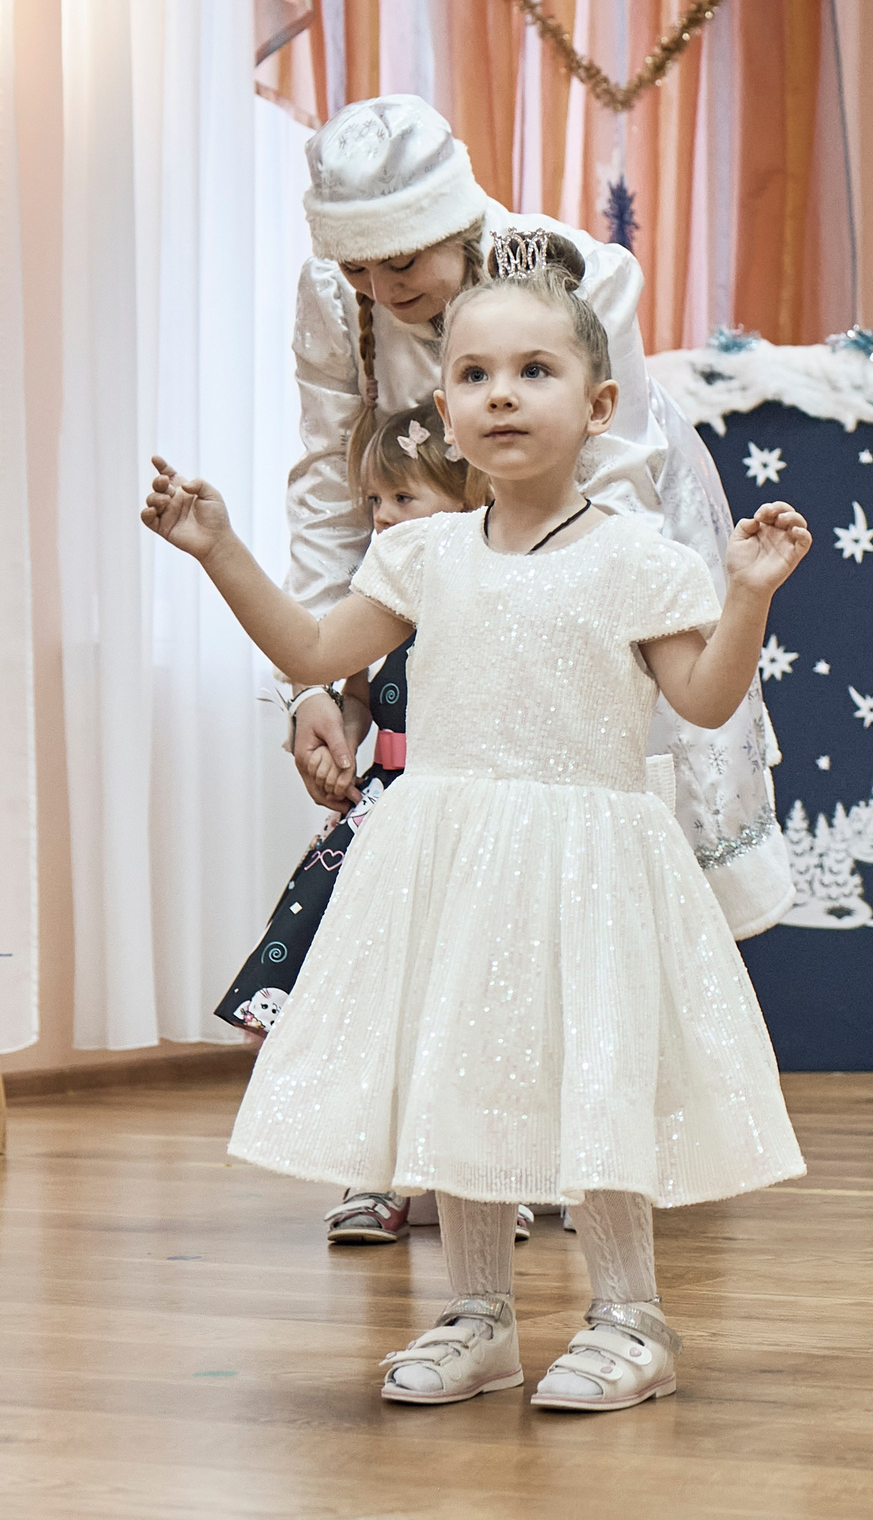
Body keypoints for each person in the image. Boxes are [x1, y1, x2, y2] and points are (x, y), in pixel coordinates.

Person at [143, 231, 811, 1412]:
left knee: (590, 1075)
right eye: (473, 374)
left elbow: (704, 699)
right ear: (441, 403)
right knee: (464, 1070)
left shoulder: (635, 558)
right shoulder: (419, 554)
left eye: (535, 372)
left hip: (586, 859)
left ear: (600, 403)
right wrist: (219, 549)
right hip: (449, 859)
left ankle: (629, 1316)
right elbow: (309, 652)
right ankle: (481, 1314)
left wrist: (746, 597)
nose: (501, 394)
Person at [281, 93, 787, 934]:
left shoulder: (584, 272)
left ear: (456, 220)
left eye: (402, 260)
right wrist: (312, 690)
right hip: (451, 567)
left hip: (591, 543)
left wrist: (575, 641)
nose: (380, 288)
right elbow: (328, 486)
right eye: (358, 269)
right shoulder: (337, 300)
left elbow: (618, 477)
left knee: (603, 832)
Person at [214, 403, 504, 1247]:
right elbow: (351, 684)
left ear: (466, 498)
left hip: (466, 825)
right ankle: (372, 1176)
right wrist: (339, 733)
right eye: (373, 500)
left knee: (464, 1001)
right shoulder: (383, 606)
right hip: (385, 821)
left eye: (401, 497)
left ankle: (487, 1176)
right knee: (373, 1002)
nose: (379, 517)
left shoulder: (488, 600)